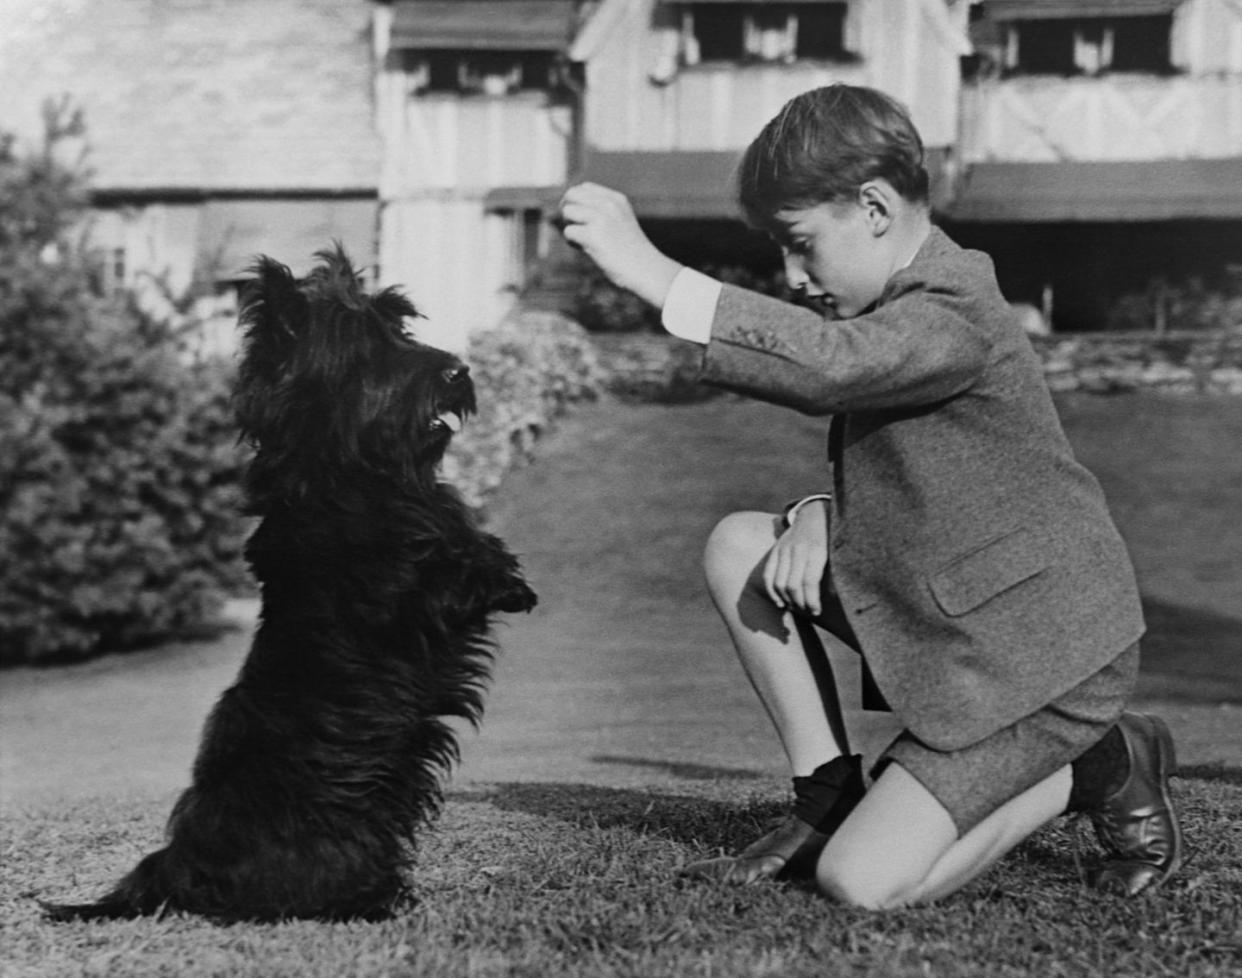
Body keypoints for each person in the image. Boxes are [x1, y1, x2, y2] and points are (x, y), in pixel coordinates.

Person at [557, 84, 1182, 909]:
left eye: (800, 243)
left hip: (1039, 669)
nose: (792, 273)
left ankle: (1100, 762)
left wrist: (651, 271)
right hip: (958, 636)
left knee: (863, 883)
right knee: (740, 544)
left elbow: (834, 366)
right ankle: (826, 799)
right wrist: (820, 511)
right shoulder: (897, 307)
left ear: (876, 207)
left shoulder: (956, 303)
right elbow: (927, 468)